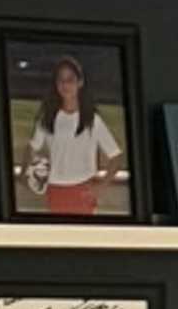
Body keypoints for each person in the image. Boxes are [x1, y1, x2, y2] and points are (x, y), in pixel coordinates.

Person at [20, 56, 126, 218]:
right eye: (61, 80)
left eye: (70, 79)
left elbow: (116, 156)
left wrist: (102, 186)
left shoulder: (91, 119)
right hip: (54, 190)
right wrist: (25, 173)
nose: (65, 85)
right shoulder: (48, 117)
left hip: (83, 191)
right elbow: (32, 147)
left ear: (80, 83)